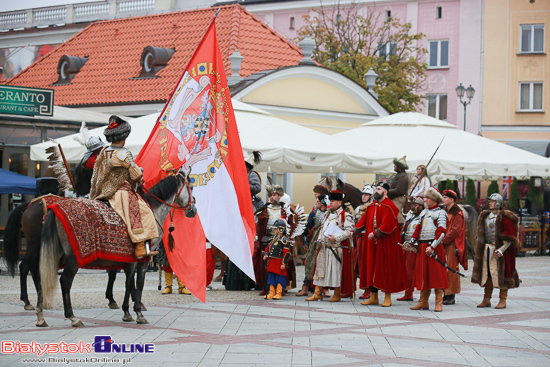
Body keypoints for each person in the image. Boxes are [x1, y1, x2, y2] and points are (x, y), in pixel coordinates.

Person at [90, 115, 159, 259]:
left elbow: (98, 172)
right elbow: (136, 175)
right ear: (124, 137)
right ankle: (140, 246)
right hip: (121, 193)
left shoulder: (104, 152)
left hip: (104, 192)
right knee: (145, 213)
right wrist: (140, 172)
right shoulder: (124, 153)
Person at [355, 182, 409, 307]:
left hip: (386, 244)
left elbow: (388, 225)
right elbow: (362, 222)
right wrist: (354, 231)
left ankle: (387, 297)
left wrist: (375, 233)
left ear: (385, 192)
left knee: (386, 270)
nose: (376, 191)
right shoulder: (372, 206)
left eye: (378, 189)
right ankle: (373, 296)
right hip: (373, 244)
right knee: (372, 268)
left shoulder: (390, 206)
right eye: (376, 189)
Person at [471, 193, 520, 309]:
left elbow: (510, 238)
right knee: (487, 273)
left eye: (492, 201)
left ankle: (503, 300)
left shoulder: (506, 217)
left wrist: (502, 250)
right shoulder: (485, 216)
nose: (490, 203)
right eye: (490, 201)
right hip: (487, 249)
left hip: (500, 250)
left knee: (502, 274)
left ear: (498, 203)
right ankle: (486, 299)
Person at [306, 190, 354, 302]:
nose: (330, 203)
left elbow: (349, 231)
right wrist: (319, 240)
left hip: (336, 249)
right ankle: (318, 293)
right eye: (330, 200)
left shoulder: (345, 216)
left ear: (339, 202)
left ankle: (337, 293)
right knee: (320, 271)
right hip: (323, 247)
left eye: (333, 201)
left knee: (335, 271)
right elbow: (322, 228)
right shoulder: (327, 214)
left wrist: (336, 238)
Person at [409, 188, 448, 312]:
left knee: (437, 276)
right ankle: (423, 302)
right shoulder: (423, 213)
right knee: (423, 275)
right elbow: (418, 230)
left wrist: (432, 246)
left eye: (428, 198)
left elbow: (442, 232)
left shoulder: (441, 213)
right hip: (422, 247)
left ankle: (438, 303)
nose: (425, 200)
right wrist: (411, 242)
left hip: (434, 248)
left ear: (434, 199)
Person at [254, 184, 295, 295]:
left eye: (276, 195)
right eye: (272, 195)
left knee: (282, 264)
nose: (273, 197)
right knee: (266, 264)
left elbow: (291, 223)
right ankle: (266, 287)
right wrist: (263, 219)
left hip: (282, 241)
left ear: (280, 196)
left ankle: (281, 288)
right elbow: (259, 224)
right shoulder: (265, 209)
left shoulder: (285, 209)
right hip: (267, 239)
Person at [297, 191, 329, 297]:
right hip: (314, 242)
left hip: (325, 242)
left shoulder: (330, 214)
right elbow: (307, 228)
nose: (316, 203)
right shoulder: (314, 214)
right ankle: (305, 287)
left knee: (324, 265)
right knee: (310, 264)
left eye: (318, 201)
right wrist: (306, 242)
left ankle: (325, 289)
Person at [441, 189, 468, 305]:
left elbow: (455, 231)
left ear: (452, 200)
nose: (443, 199)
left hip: (451, 245)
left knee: (451, 270)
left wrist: (443, 241)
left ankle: (450, 295)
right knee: (443, 270)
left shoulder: (458, 213)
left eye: (445, 197)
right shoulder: (443, 211)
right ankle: (444, 293)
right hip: (443, 244)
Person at [397, 197, 425, 301]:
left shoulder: (423, 217)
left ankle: (412, 294)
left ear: (421, 207)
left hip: (415, 247)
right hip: (407, 246)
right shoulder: (409, 216)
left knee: (412, 272)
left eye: (416, 205)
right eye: (413, 204)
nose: (413, 206)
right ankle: (408, 293)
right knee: (406, 271)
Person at [263, 219, 292, 300]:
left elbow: (286, 253)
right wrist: (266, 255)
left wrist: (283, 263)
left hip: (279, 261)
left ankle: (278, 293)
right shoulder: (272, 238)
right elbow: (267, 249)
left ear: (281, 229)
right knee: (271, 277)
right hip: (272, 261)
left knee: (280, 277)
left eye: (276, 228)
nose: (274, 230)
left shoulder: (285, 240)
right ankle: (271, 293)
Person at [354, 185, 374, 300]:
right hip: (358, 238)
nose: (364, 196)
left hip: (367, 238)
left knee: (365, 264)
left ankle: (368, 289)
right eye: (363, 194)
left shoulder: (372, 208)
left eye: (366, 195)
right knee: (356, 264)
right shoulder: (357, 208)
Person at [387, 156, 410, 224]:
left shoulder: (402, 176)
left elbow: (398, 190)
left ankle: (403, 226)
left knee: (395, 213)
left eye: (396, 165)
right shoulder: (399, 175)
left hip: (399, 199)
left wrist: (387, 191)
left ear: (399, 167)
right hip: (395, 197)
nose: (394, 166)